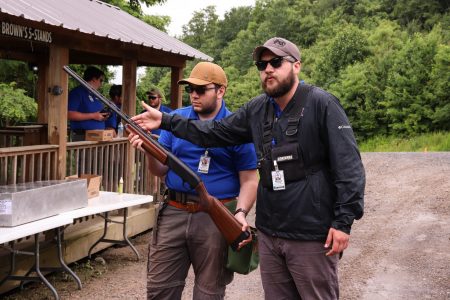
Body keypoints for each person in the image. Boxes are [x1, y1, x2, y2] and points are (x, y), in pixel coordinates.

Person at [131, 37, 366, 299]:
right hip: (270, 233)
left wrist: (343, 222)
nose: (268, 69)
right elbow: (213, 132)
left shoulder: (322, 104)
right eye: (262, 64)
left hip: (311, 234)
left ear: (296, 66)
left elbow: (349, 167)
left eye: (276, 62)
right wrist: (165, 120)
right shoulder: (257, 109)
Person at [129, 62, 258, 300]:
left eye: (201, 90)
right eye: (190, 90)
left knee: (209, 292)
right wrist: (148, 148)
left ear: (221, 91)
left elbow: (250, 180)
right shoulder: (173, 119)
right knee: (160, 290)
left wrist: (240, 213)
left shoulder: (235, 126)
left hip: (215, 215)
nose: (194, 95)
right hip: (174, 210)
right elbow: (159, 171)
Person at [68, 66, 110, 141]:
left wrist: (102, 116)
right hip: (82, 135)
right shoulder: (77, 93)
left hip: (99, 135)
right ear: (94, 79)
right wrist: (93, 116)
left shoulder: (96, 94)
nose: (101, 84)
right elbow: (69, 114)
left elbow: (97, 113)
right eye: (100, 80)